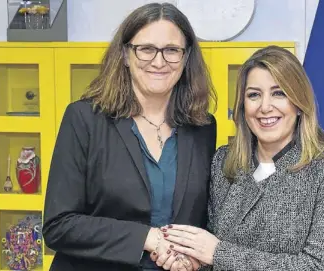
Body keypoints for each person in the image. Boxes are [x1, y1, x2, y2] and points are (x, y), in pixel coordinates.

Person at [153, 45, 324, 270]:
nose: (265, 107)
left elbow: (321, 266)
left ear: (299, 104)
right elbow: (211, 252)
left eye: (278, 93)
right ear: (242, 106)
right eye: (254, 95)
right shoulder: (224, 162)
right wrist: (192, 261)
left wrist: (218, 253)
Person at [42, 3, 217, 271]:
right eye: (146, 49)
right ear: (125, 54)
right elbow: (58, 225)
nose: (159, 62)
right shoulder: (84, 119)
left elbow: (202, 220)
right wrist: (147, 238)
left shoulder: (203, 127)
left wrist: (191, 255)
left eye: (171, 50)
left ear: (186, 57)